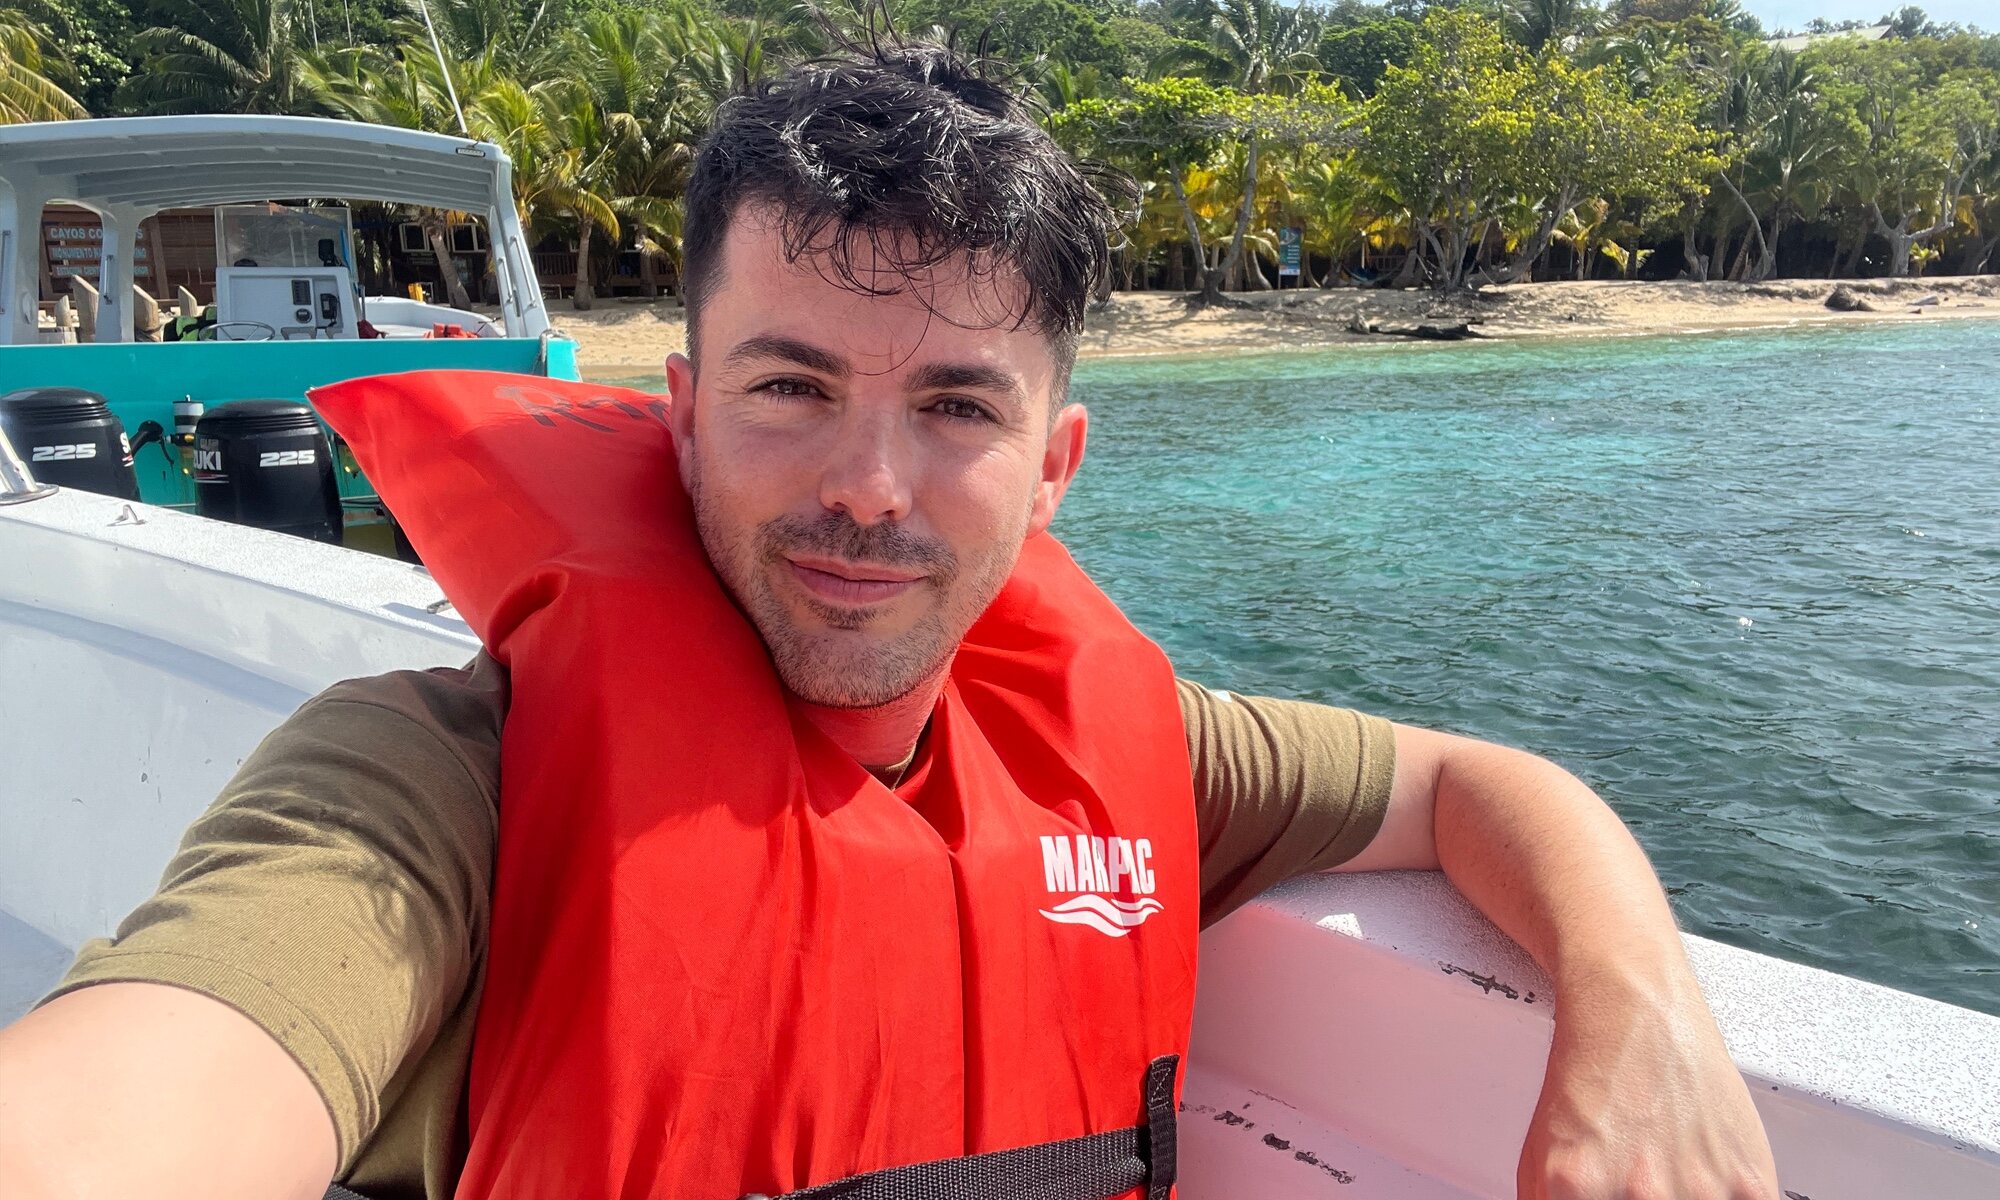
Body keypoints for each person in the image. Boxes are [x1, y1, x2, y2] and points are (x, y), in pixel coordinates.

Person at [0, 43, 1778, 1200]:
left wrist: (1641, 1024)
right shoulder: (429, 788)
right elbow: (152, 1093)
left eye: (955, 406)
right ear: (681, 411)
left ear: (1054, 461)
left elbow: (1484, 782)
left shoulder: (1136, 750)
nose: (869, 484)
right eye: (790, 389)